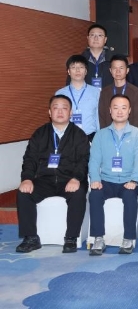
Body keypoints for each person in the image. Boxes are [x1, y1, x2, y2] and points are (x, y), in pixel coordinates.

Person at [15, 95, 90, 254]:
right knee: (23, 193)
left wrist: (76, 178)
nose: (60, 112)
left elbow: (83, 160)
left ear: (71, 112)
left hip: (69, 180)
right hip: (45, 180)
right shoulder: (40, 133)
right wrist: (27, 179)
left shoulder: (79, 135)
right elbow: (30, 159)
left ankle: (71, 238)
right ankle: (31, 238)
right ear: (50, 112)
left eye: (64, 108)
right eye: (56, 108)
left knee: (78, 193)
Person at [87, 95, 138, 255]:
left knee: (129, 196)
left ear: (129, 111)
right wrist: (95, 179)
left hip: (129, 180)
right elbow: (94, 161)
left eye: (123, 108)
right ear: (110, 111)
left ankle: (128, 238)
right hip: (106, 180)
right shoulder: (100, 135)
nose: (119, 111)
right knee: (95, 195)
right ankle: (98, 238)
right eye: (115, 107)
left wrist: (134, 180)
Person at [55, 55, 101, 141]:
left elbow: (98, 117)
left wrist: (99, 138)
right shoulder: (60, 94)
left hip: (91, 137)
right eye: (73, 67)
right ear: (68, 71)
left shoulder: (96, 92)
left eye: (81, 67)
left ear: (86, 71)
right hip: (67, 138)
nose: (77, 70)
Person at [98, 55, 138, 129]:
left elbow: (137, 118)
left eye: (121, 68)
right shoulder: (105, 92)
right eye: (115, 68)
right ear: (110, 70)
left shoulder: (135, 91)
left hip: (130, 133)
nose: (118, 71)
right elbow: (102, 117)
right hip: (109, 133)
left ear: (127, 70)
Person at [72, 23, 112, 88]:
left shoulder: (114, 61)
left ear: (105, 39)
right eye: (92, 35)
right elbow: (70, 86)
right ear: (88, 38)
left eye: (100, 35)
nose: (96, 38)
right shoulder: (77, 61)